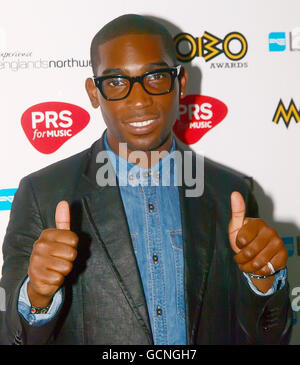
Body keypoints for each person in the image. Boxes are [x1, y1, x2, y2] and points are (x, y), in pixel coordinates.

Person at [0, 14, 292, 345]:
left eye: (155, 77)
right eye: (115, 82)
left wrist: (263, 280)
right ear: (93, 93)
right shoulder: (43, 194)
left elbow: (269, 337)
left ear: (180, 83)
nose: (139, 101)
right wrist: (36, 297)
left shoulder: (230, 193)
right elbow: (12, 337)